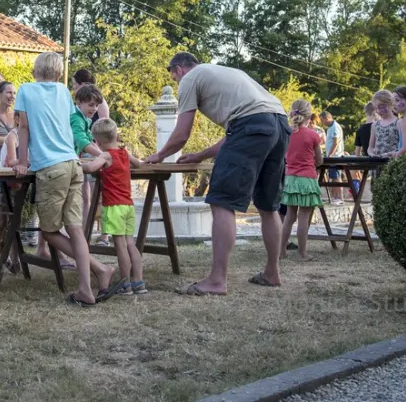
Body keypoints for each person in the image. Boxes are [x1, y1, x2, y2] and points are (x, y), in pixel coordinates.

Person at [145, 52, 290, 295]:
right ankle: (272, 273)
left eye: (174, 77)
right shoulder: (228, 73)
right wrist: (201, 155)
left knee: (222, 202)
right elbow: (243, 128)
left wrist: (158, 156)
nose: (177, 83)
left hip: (253, 126)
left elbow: (182, 134)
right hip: (280, 124)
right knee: (268, 206)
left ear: (179, 69)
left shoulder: (190, 79)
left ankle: (216, 280)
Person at [13, 51, 121, 307]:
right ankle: (87, 286)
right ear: (59, 73)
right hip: (73, 164)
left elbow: (24, 128)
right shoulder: (63, 92)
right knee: (75, 230)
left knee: (50, 232)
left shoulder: (26, 90)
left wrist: (21, 160)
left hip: (51, 167)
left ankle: (99, 270)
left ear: (35, 70)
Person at [81, 118, 146, 296]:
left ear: (98, 142)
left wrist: (79, 164)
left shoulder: (105, 155)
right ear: (116, 136)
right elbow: (139, 163)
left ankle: (125, 284)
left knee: (120, 246)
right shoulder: (124, 153)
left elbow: (91, 168)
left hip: (114, 206)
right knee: (131, 244)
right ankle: (138, 281)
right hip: (128, 205)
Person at [279, 100, 323, 261]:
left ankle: (281, 251)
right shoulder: (313, 135)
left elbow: (284, 156)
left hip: (290, 179)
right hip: (307, 179)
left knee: (289, 217)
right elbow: (319, 161)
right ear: (309, 116)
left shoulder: (287, 133)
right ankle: (302, 253)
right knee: (304, 217)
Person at [70, 84, 104, 233]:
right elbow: (82, 142)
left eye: (96, 105)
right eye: (91, 105)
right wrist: (102, 155)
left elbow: (90, 140)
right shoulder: (76, 119)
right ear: (79, 103)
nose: (95, 109)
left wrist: (105, 153)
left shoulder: (85, 118)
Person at [0, 122, 21, 274]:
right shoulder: (13, 136)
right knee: (2, 221)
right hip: (3, 183)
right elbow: (12, 160)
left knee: (16, 223)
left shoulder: (30, 137)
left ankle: (15, 261)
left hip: (19, 184)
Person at [367, 90, 400, 158]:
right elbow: (370, 147)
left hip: (394, 163)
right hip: (379, 163)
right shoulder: (375, 125)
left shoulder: (399, 122)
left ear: (391, 104)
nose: (378, 111)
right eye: (376, 108)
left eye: (381, 106)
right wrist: (372, 154)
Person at [321, 111, 345, 205]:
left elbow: (335, 142)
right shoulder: (330, 128)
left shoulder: (335, 127)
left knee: (336, 177)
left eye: (323, 120)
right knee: (333, 176)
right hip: (332, 156)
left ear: (327, 118)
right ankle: (335, 197)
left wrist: (330, 154)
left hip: (335, 156)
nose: (322, 123)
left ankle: (339, 197)